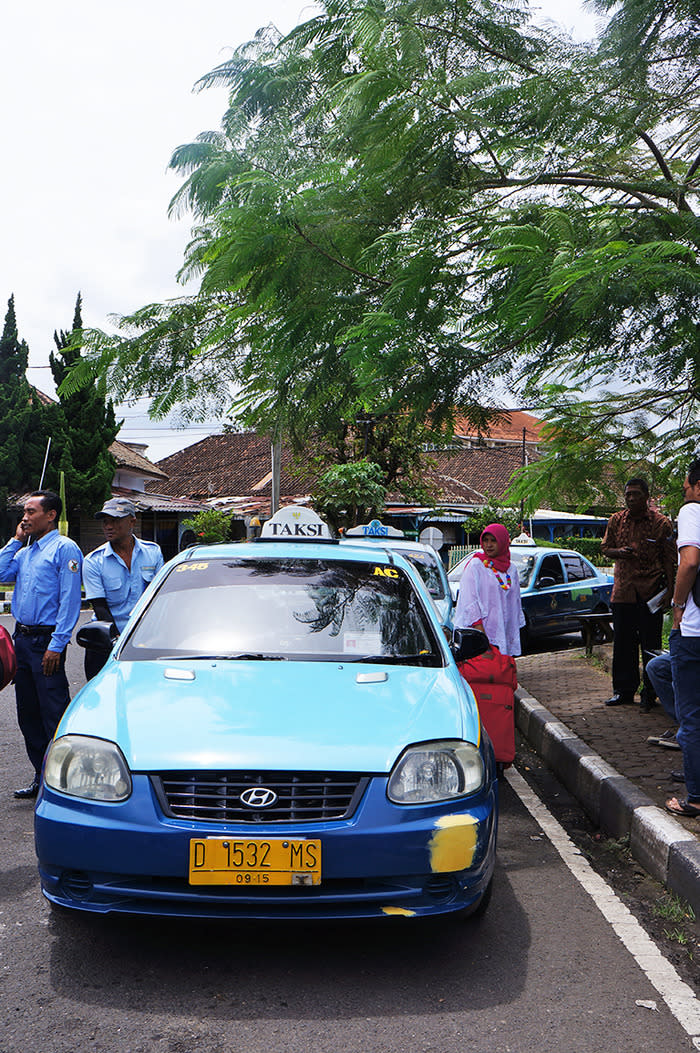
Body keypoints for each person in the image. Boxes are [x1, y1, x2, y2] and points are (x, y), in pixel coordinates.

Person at [0, 491, 82, 799]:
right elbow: (0, 572)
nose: (25, 517)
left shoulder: (65, 549)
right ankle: (40, 776)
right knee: (28, 714)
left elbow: (70, 601)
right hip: (22, 639)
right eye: (24, 512)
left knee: (53, 712)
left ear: (51, 515)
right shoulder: (26, 552)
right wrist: (16, 539)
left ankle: (64, 782)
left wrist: (57, 645)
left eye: (32, 512)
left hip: (46, 642)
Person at [601, 477, 675, 709]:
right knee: (623, 644)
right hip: (623, 593)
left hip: (650, 593)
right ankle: (623, 691)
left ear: (646, 496)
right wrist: (619, 552)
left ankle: (650, 693)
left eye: (636, 494)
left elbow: (669, 561)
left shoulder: (661, 523)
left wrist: (671, 593)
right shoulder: (616, 520)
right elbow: (604, 548)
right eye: (628, 494)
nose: (631, 498)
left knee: (650, 645)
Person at [82, 497, 164, 679]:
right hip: (108, 641)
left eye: (115, 520)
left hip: (146, 641)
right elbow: (100, 608)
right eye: (105, 522)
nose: (108, 526)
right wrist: (120, 643)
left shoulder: (153, 552)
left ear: (132, 521)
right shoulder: (93, 561)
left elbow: (159, 600)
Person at [666, 459, 700, 818]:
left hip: (694, 631)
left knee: (691, 717)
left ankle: (695, 797)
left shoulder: (692, 511)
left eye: (687, 486)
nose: (685, 493)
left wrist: (677, 606)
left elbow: (689, 562)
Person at [455, 524, 525, 655]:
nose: (489, 545)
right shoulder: (476, 565)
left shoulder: (511, 569)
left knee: (502, 669)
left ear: (503, 542)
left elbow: (515, 603)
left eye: (494, 541)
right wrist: (481, 634)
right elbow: (469, 600)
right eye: (485, 540)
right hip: (481, 632)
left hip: (503, 631)